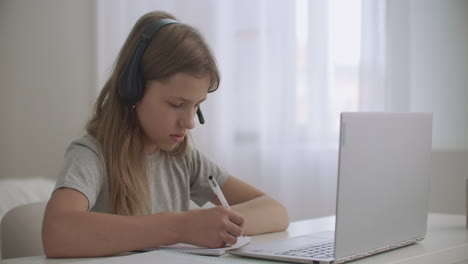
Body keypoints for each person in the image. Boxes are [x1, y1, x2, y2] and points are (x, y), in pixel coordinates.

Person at [42, 11, 289, 258]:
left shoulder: (184, 159)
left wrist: (218, 224)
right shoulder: (92, 154)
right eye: (176, 104)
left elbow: (276, 211)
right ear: (133, 90)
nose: (190, 122)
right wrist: (180, 227)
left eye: (196, 105)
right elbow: (57, 232)